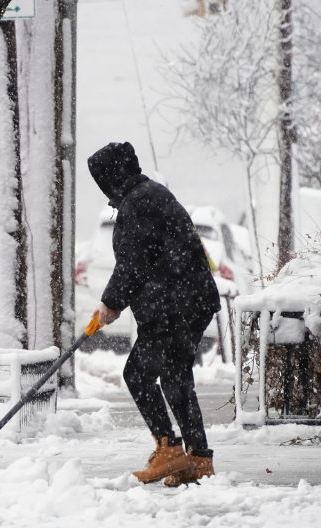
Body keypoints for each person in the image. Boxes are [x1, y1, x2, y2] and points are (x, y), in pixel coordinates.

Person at [87, 142, 220, 486]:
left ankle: (170, 449)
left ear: (112, 176)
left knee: (138, 375)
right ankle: (198, 460)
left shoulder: (140, 202)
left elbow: (134, 262)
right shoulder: (146, 196)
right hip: (184, 301)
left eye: (102, 180)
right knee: (176, 378)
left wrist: (111, 303)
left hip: (174, 304)